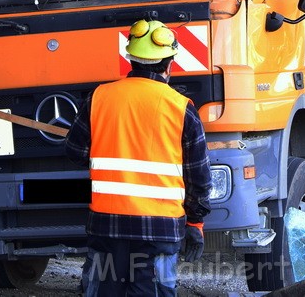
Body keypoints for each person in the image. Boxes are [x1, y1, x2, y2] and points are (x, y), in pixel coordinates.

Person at [65, 19, 212, 296]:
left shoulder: (99, 97)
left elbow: (75, 152)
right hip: (160, 229)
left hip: (107, 226)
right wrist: (195, 223)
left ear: (130, 60)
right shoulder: (181, 109)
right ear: (169, 66)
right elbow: (199, 177)